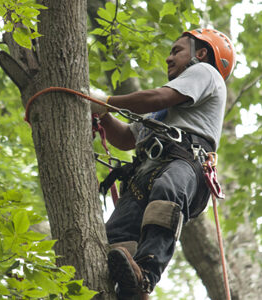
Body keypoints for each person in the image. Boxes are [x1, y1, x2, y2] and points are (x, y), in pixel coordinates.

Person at [91, 28, 236, 300]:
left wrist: (105, 102)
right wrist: (103, 115)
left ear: (201, 54)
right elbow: (125, 138)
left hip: (183, 162)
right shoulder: (161, 113)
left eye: (177, 50)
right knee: (117, 234)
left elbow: (158, 96)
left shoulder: (205, 72)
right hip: (145, 171)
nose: (169, 58)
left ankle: (145, 274)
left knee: (166, 193)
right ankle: (127, 290)